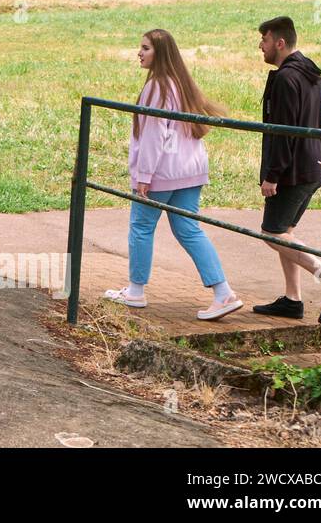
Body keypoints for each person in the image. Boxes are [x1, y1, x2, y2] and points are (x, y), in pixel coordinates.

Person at [103, 29, 242, 321]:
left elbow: (154, 134)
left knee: (141, 226)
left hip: (161, 173)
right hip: (189, 171)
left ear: (160, 54)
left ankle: (136, 291)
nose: (139, 53)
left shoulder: (158, 86)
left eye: (145, 48)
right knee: (189, 230)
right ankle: (223, 292)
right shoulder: (182, 83)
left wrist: (144, 175)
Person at [251, 16, 321, 323]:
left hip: (293, 172)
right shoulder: (310, 72)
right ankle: (292, 300)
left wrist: (272, 176)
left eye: (264, 40)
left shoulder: (285, 79)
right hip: (312, 167)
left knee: (271, 234)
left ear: (279, 43)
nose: (260, 45)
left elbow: (284, 132)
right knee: (285, 232)